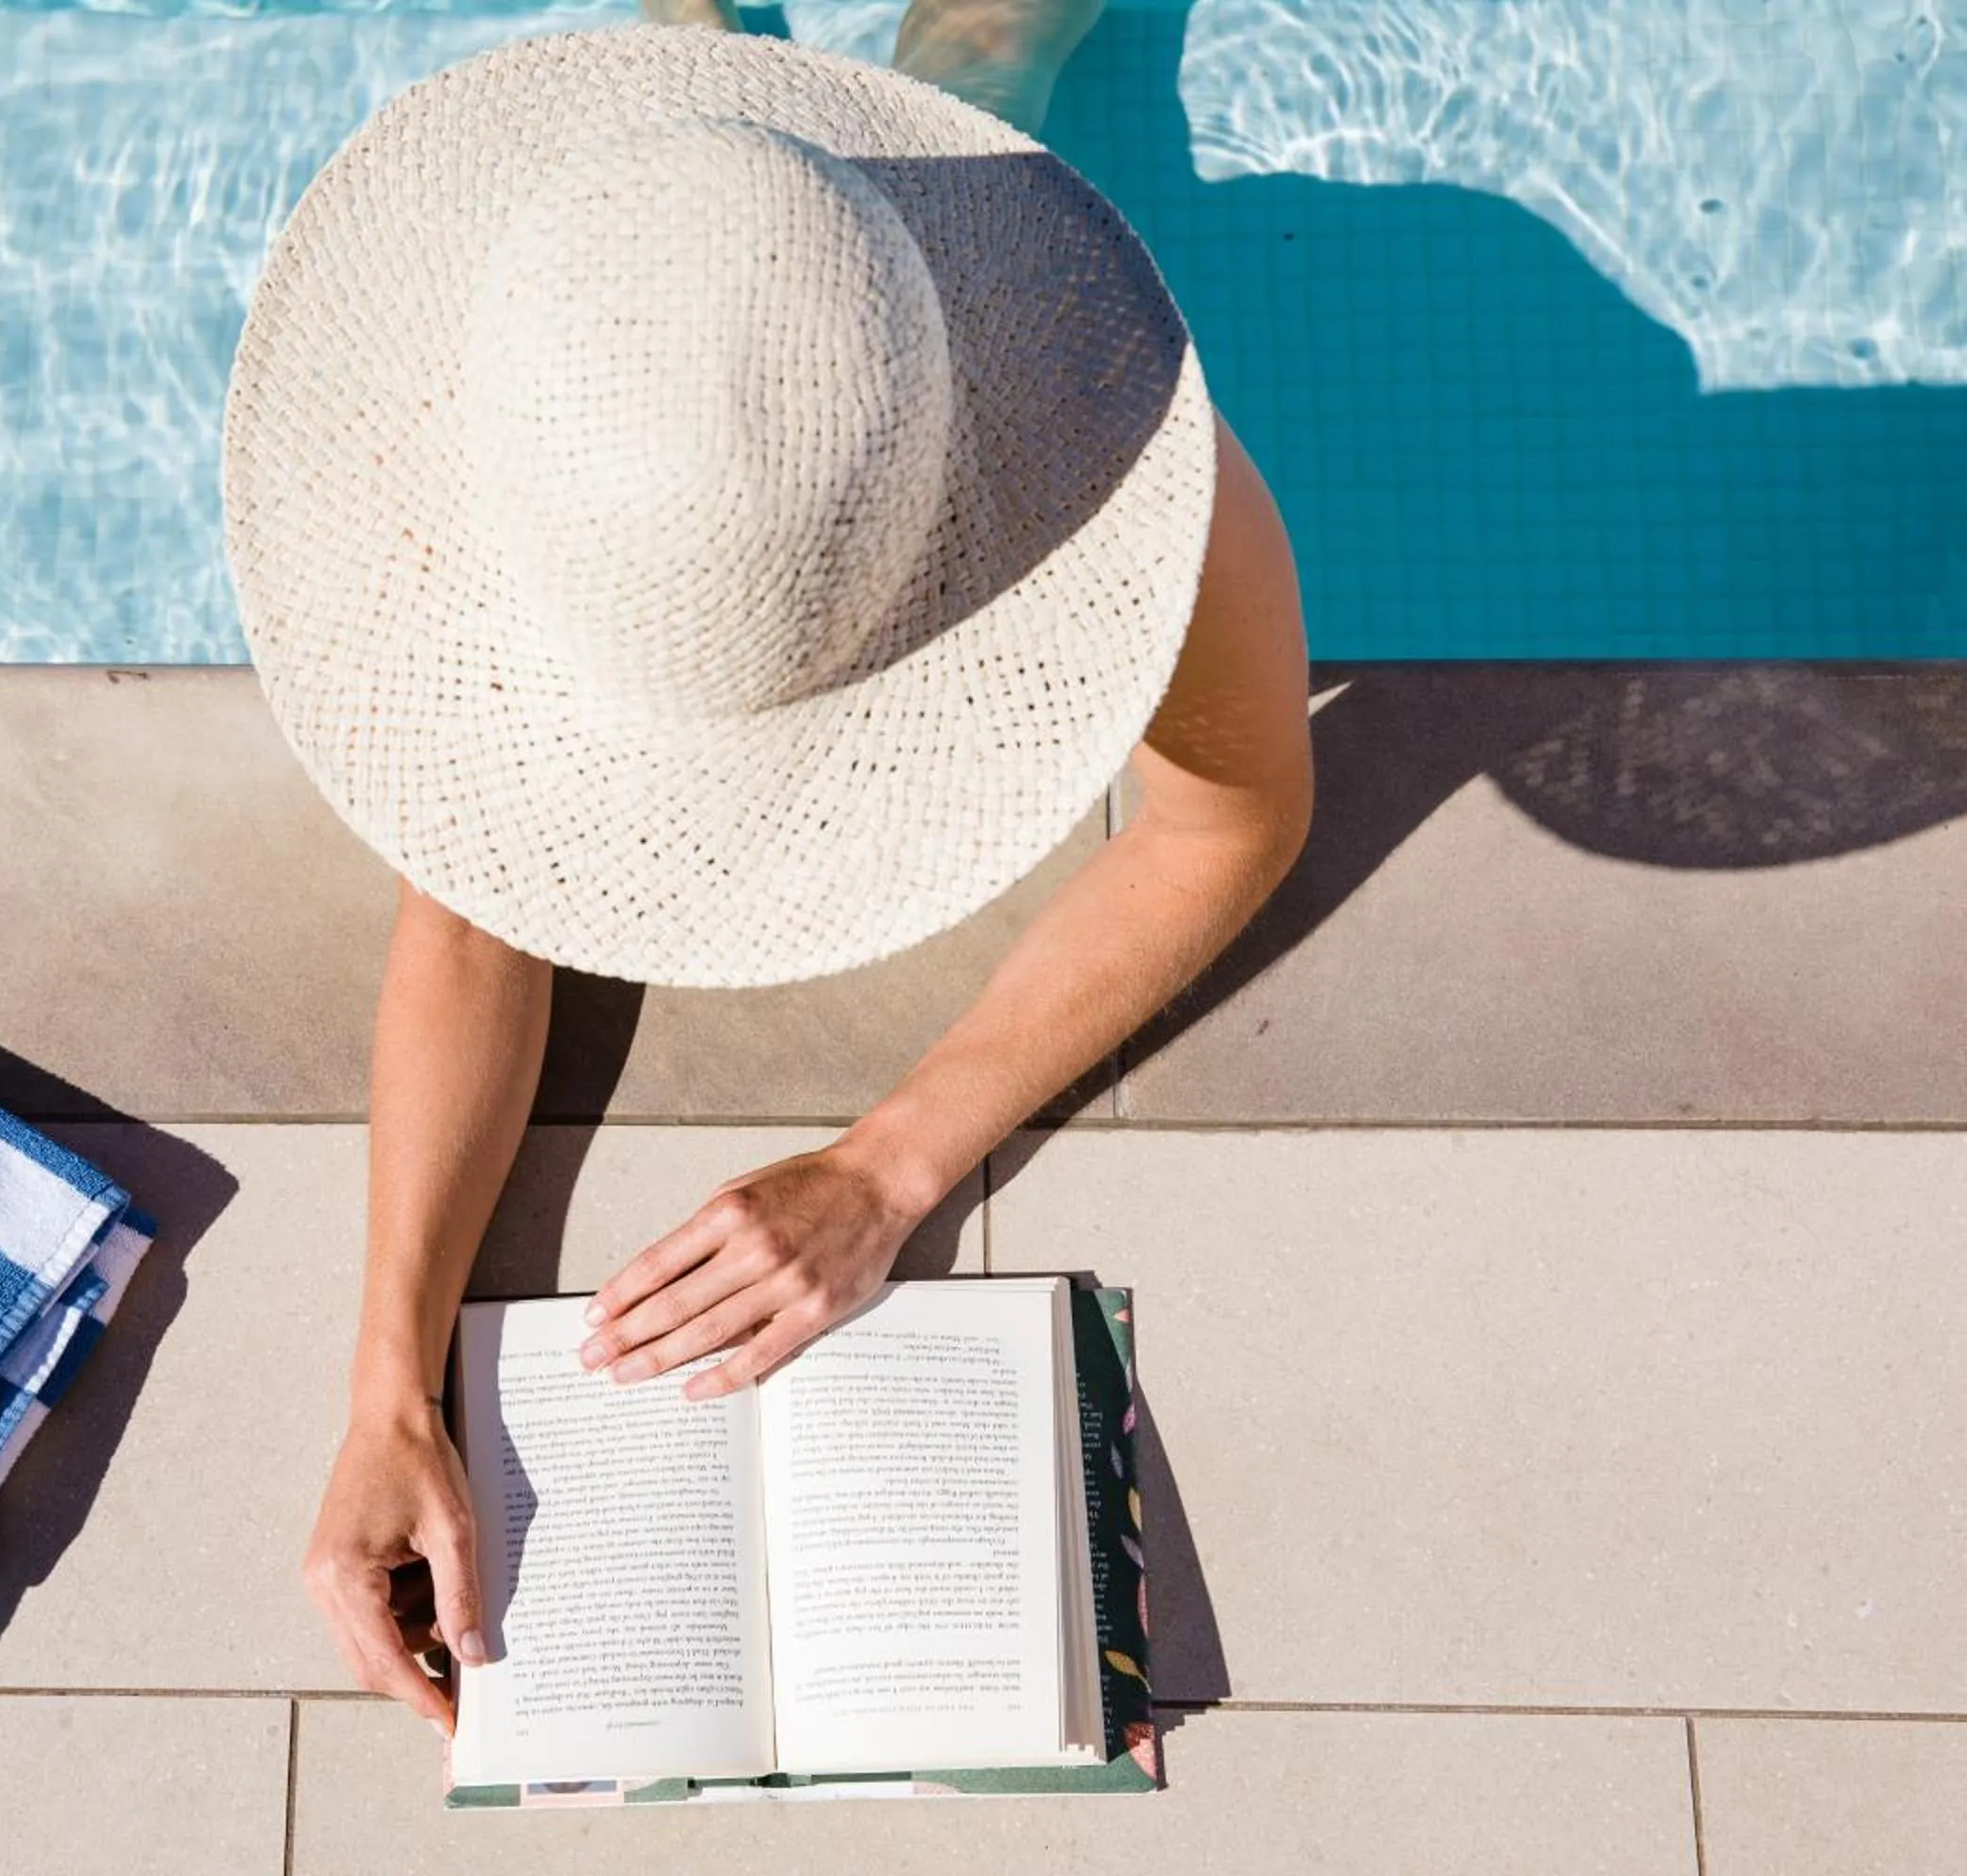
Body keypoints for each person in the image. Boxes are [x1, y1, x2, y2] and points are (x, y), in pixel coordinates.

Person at [218, 7, 1311, 1744]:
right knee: (817, 90)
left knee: (979, 62)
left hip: (891, 334)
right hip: (696, 288)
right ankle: (698, 44)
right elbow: (474, 893)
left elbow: (1237, 816)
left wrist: (889, 1172)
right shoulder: (549, 411)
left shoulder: (1130, 478)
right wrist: (384, 1390)